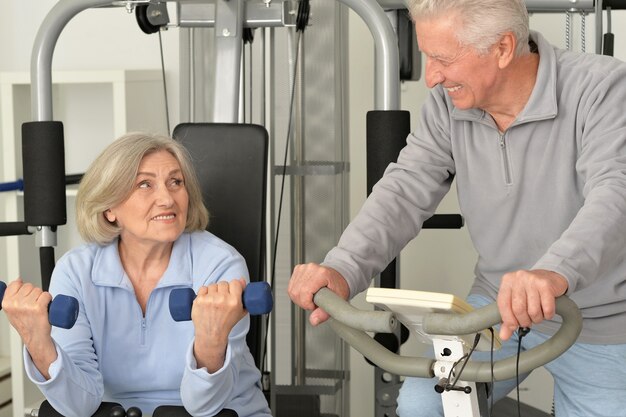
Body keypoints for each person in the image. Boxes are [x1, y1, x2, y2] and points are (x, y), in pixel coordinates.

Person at [288, 0, 626, 415]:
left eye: (443, 59)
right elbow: (404, 189)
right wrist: (342, 267)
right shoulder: (450, 107)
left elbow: (615, 194)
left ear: (502, 48)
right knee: (421, 406)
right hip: (493, 308)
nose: (431, 77)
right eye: (428, 56)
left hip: (601, 319)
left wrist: (553, 272)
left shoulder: (603, 88)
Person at [1, 133, 272, 417]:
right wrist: (38, 342)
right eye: (145, 184)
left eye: (175, 182)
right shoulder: (75, 271)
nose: (167, 198)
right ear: (109, 209)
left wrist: (211, 340)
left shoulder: (220, 265)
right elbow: (79, 405)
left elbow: (204, 406)